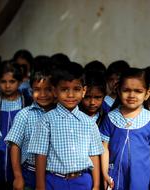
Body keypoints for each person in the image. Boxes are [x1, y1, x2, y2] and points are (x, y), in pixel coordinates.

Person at [28, 62, 104, 190]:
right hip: (54, 180)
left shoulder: (89, 122)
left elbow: (94, 155)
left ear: (84, 91)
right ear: (54, 91)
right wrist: (40, 185)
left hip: (83, 180)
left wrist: (96, 185)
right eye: (64, 89)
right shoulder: (46, 121)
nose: (70, 95)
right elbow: (40, 155)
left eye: (76, 89)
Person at [100, 68, 150, 190]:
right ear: (119, 92)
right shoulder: (111, 118)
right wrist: (104, 174)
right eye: (126, 90)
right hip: (114, 175)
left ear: (146, 94)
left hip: (142, 177)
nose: (132, 95)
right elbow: (104, 148)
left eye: (138, 91)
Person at [5, 69, 55, 190]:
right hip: (30, 172)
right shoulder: (24, 115)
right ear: (31, 90)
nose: (42, 94)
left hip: (55, 174)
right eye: (37, 90)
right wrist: (18, 176)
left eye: (48, 89)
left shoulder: (61, 114)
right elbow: (15, 145)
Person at [0, 61, 32, 189]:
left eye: (12, 81)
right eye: (3, 81)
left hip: (23, 156)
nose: (7, 86)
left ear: (20, 81)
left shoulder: (27, 101)